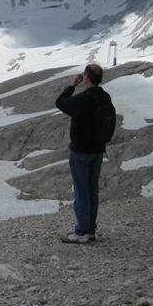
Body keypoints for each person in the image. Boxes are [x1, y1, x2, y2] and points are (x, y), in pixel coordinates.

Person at [55, 63, 112, 244]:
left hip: (80, 151)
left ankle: (81, 232)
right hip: (97, 150)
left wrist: (72, 85)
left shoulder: (84, 99)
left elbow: (60, 103)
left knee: (81, 191)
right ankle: (90, 229)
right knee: (92, 189)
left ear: (86, 76)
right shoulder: (105, 97)